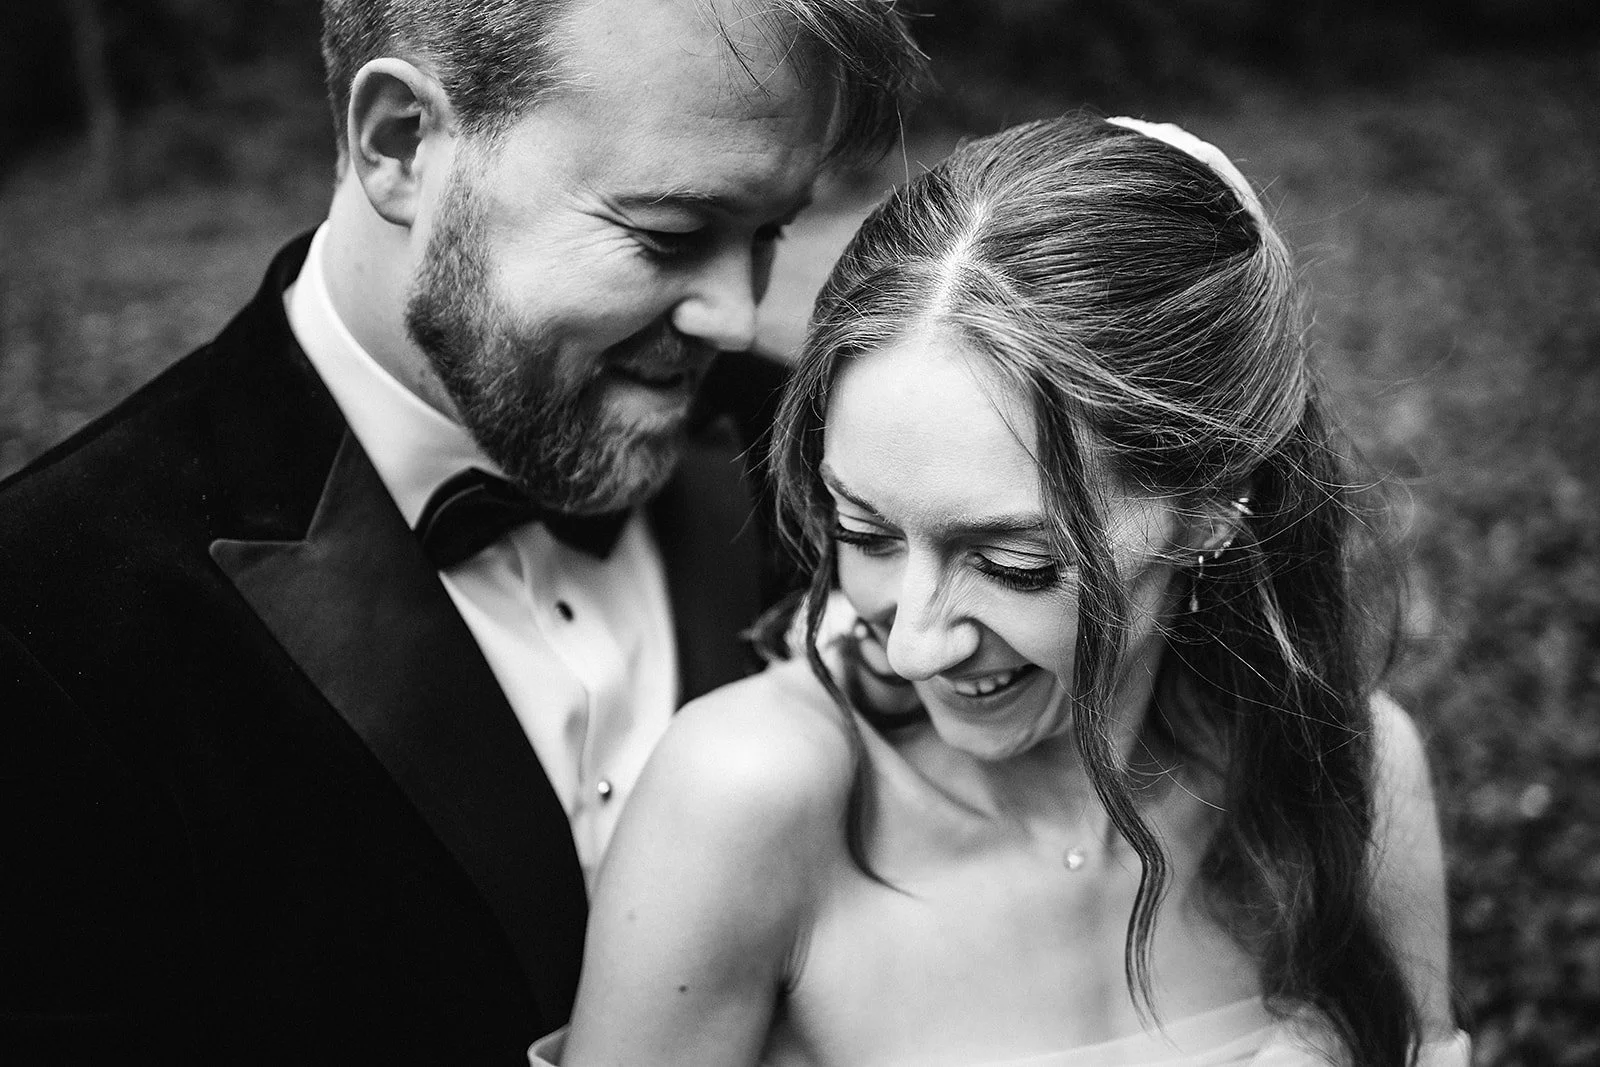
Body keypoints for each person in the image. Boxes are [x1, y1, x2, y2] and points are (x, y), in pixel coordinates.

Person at [0, 1, 924, 1062]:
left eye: (767, 234)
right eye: (667, 234)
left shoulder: (827, 460)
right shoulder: (47, 626)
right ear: (398, 142)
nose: (733, 312)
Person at [537, 114, 1470, 1065]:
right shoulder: (745, 800)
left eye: (1012, 562)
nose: (913, 643)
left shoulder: (1348, 775)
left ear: (1209, 510)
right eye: (864, 532)